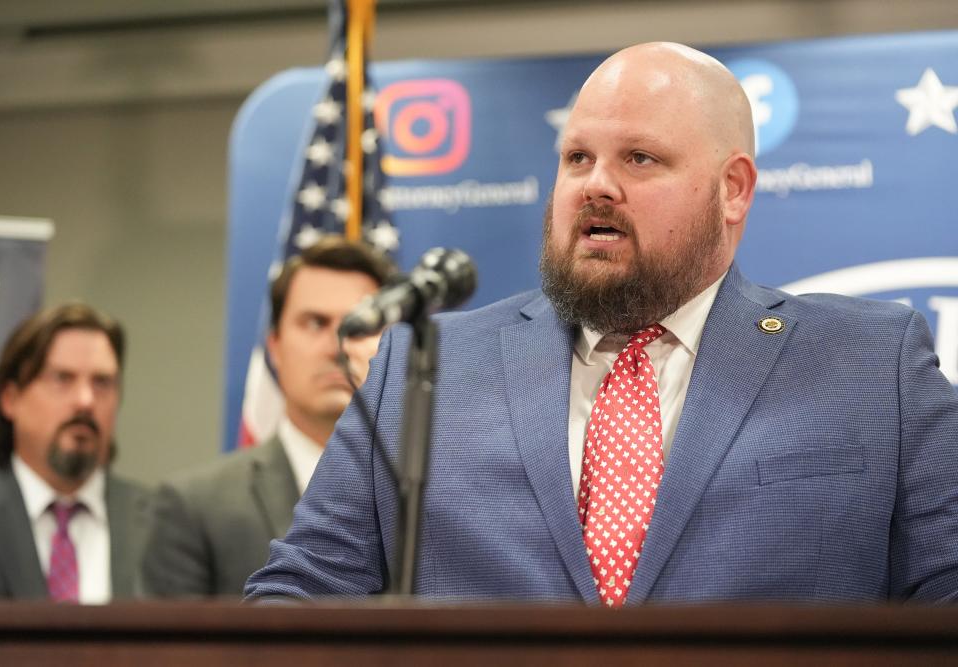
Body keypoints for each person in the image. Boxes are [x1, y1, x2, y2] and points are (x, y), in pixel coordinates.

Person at [244, 42, 958, 604]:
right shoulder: (425, 369)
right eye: (577, 157)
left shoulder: (872, 366)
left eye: (639, 158)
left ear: (732, 189)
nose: (595, 185)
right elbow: (296, 599)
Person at [141, 236, 395, 597]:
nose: (337, 346)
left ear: (392, 345)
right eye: (315, 323)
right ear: (274, 348)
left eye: (361, 325)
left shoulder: (428, 498)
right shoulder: (193, 507)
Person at [0, 303, 151, 602]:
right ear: (10, 399)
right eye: (62, 378)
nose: (85, 401)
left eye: (102, 383)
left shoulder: (160, 524)